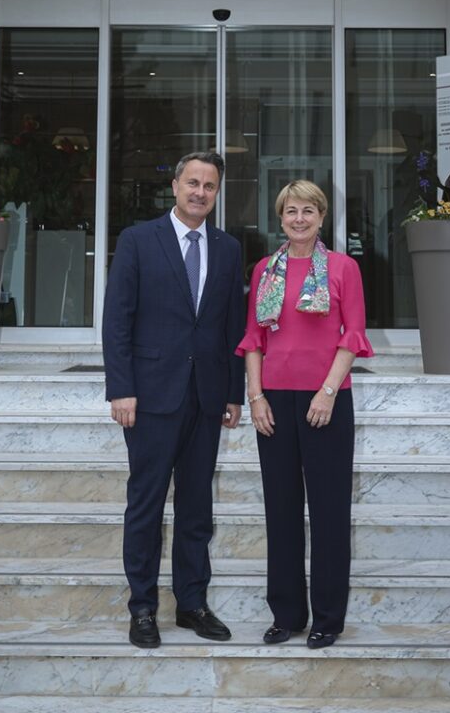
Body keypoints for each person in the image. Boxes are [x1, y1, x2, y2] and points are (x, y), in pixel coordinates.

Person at [102, 151, 245, 649]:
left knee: (196, 508)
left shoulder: (228, 248)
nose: (200, 192)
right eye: (193, 182)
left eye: (209, 185)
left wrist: (233, 393)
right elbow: (117, 319)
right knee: (145, 505)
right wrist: (121, 388)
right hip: (150, 397)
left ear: (217, 193)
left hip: (206, 398)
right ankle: (142, 608)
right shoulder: (139, 240)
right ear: (175, 185)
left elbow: (232, 326)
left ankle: (192, 604)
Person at [236, 180, 373, 649]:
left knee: (330, 512)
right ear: (280, 218)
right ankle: (287, 614)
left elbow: (353, 335)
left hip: (326, 400)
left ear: (321, 217)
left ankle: (327, 619)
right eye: (291, 211)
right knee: (281, 511)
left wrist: (328, 391)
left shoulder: (343, 268)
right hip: (275, 401)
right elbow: (254, 338)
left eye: (308, 211)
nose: (299, 219)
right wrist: (256, 396)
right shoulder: (264, 270)